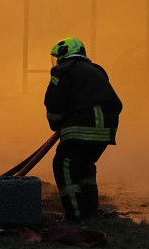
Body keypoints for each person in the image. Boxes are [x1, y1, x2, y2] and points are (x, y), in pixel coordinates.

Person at [43, 37, 122, 222]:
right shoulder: (96, 70)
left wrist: (57, 123)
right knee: (85, 166)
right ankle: (90, 212)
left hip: (83, 126)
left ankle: (75, 216)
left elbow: (54, 104)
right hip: (107, 129)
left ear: (66, 54)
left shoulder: (63, 70)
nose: (57, 60)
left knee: (64, 164)